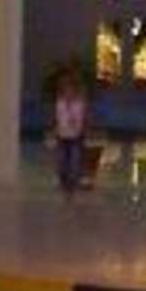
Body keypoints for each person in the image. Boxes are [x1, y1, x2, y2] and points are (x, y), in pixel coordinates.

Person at [52, 70, 90, 199]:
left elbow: (83, 119)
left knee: (75, 159)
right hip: (62, 135)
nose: (69, 93)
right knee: (62, 160)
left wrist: (84, 129)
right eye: (66, 90)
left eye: (71, 90)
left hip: (76, 136)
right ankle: (63, 179)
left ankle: (73, 182)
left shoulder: (79, 104)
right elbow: (57, 119)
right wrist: (55, 130)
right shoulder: (59, 104)